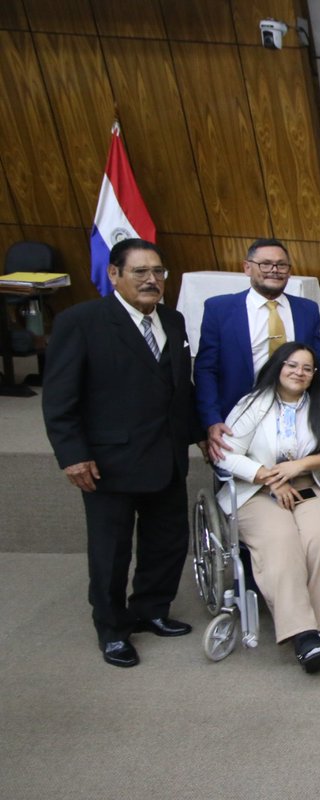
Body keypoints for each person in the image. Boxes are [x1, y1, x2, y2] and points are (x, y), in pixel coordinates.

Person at [42, 239, 201, 668]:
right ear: (114, 274)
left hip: (166, 456)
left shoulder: (173, 319)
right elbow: (59, 397)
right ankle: (112, 629)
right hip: (107, 463)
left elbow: (178, 387)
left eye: (159, 272)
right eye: (140, 272)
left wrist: (202, 432)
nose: (152, 280)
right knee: (111, 551)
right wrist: (72, 454)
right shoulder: (82, 321)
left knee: (167, 542)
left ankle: (152, 609)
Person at [214, 343, 320, 671]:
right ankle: (304, 635)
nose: (299, 373)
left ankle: (311, 627)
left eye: (307, 368)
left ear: (313, 375)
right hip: (256, 491)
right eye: (292, 365)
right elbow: (225, 452)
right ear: (278, 367)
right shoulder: (253, 404)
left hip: (307, 485)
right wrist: (267, 477)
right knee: (281, 537)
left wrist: (301, 465)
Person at [195, 238, 320, 465]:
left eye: (281, 265)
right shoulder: (220, 309)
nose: (274, 271)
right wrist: (211, 420)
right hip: (239, 412)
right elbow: (205, 370)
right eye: (265, 264)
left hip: (295, 409)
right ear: (247, 267)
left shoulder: (307, 310)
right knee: (236, 474)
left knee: (298, 471)